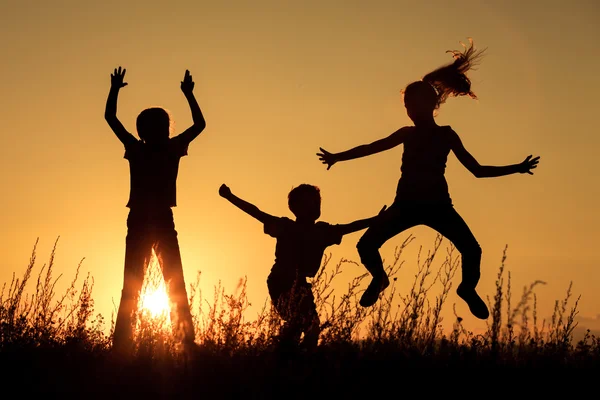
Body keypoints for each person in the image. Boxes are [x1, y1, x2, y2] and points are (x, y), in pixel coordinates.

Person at [316, 39, 540, 319]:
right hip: (406, 206)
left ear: (430, 105)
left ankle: (467, 289)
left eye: (412, 105)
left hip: (438, 207)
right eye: (406, 106)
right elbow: (372, 147)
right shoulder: (406, 134)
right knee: (365, 245)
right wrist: (339, 156)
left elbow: (477, 170)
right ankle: (380, 279)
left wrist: (516, 168)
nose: (409, 111)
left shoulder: (446, 134)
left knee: (472, 250)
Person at [105, 66, 206, 353]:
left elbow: (110, 118)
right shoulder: (170, 148)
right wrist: (189, 95)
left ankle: (123, 344)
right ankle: (185, 341)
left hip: (143, 219)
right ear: (164, 129)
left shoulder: (138, 149)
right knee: (173, 280)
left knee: (133, 283)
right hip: (157, 218)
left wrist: (113, 90)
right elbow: (200, 125)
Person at [218, 183, 386, 350]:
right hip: (281, 282)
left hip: (301, 284)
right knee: (303, 324)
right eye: (311, 202)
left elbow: (350, 227)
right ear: (297, 207)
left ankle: (290, 357)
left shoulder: (322, 231)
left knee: (306, 327)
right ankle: (286, 356)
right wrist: (230, 197)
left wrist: (375, 220)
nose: (316, 206)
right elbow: (256, 212)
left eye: (317, 202)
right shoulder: (286, 227)